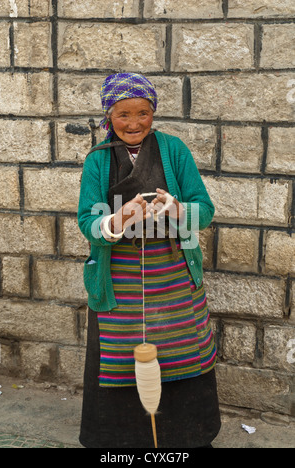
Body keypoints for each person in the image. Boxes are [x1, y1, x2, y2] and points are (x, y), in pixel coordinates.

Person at [78, 73, 221, 448]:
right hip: (118, 278)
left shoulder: (174, 150)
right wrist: (119, 220)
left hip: (172, 271)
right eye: (123, 114)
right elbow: (86, 222)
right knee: (120, 359)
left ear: (153, 113)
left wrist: (178, 210)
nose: (134, 123)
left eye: (143, 113)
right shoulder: (97, 161)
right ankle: (118, 441)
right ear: (108, 117)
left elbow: (204, 211)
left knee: (183, 352)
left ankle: (188, 437)